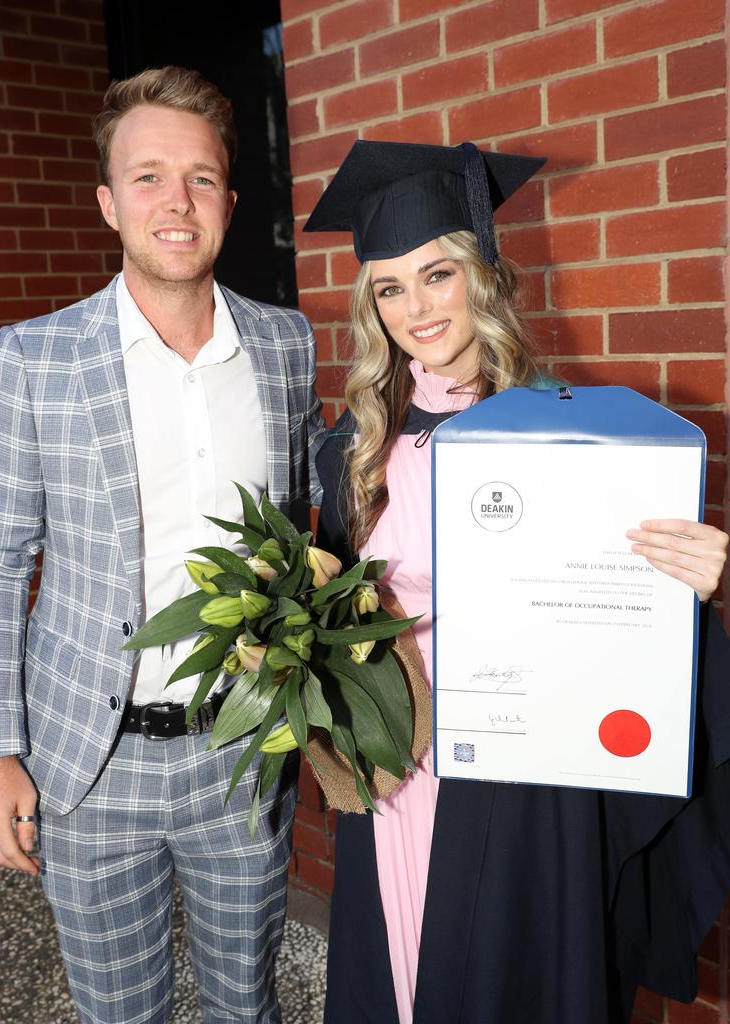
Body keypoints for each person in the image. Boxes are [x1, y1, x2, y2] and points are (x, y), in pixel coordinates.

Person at [304, 139, 730, 1024]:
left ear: (481, 275)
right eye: (389, 287)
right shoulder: (351, 449)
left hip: (524, 778)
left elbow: (627, 623)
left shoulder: (573, 441)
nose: (416, 308)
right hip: (396, 769)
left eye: (437, 275)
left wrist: (690, 585)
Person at [0, 66, 324, 1024]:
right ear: (109, 204)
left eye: (201, 178)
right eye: (149, 177)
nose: (177, 201)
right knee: (120, 1013)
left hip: (242, 750)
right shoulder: (37, 358)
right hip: (88, 764)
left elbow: (325, 515)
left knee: (247, 1005)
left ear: (231, 202)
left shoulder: (286, 347)